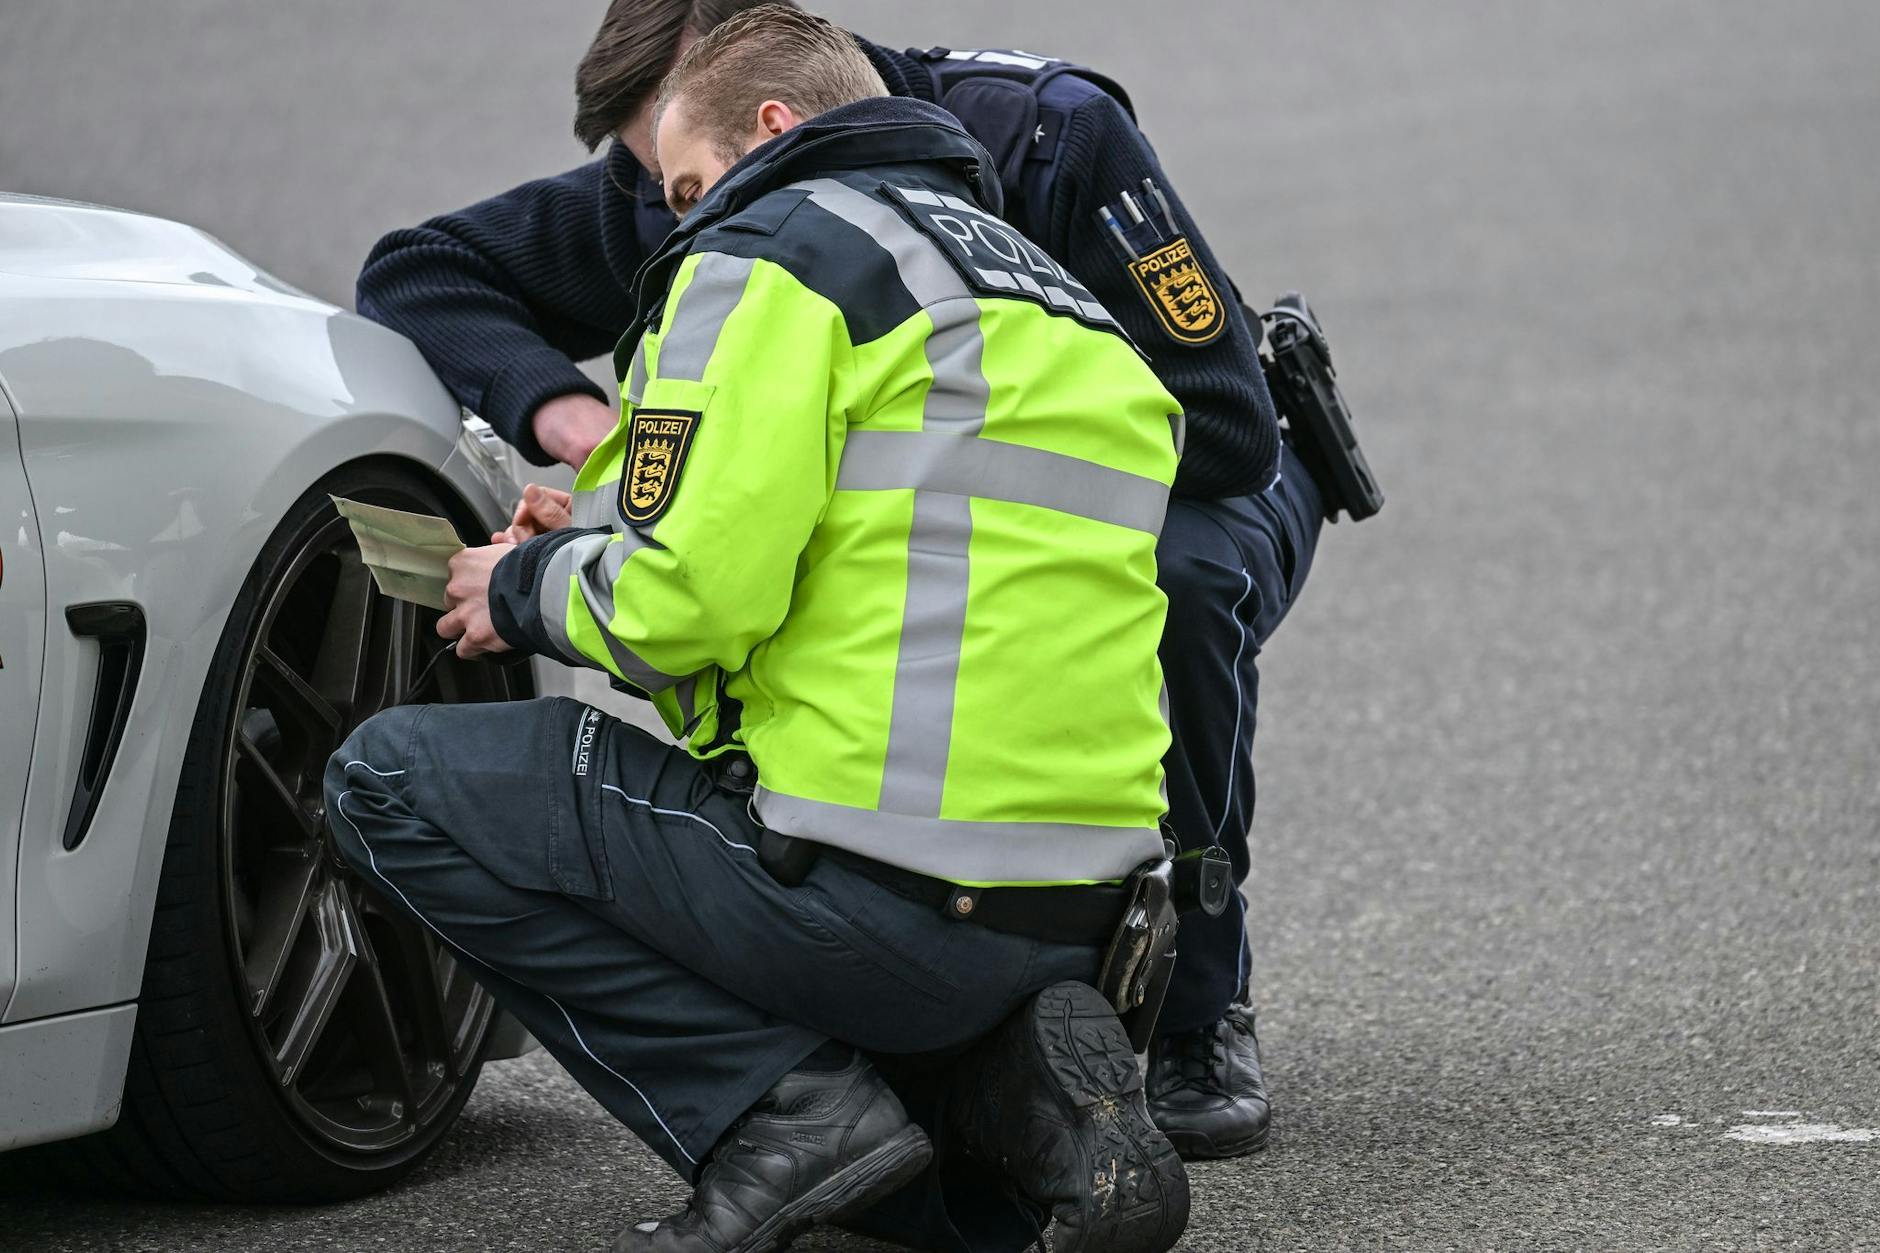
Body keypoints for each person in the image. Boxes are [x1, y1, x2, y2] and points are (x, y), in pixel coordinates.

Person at [359, 0, 1334, 1160]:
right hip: (976, 591)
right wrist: (600, 449)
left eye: (682, 170)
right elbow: (422, 269)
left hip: (1213, 492)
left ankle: (1197, 994)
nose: (675, 209)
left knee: (1174, 579)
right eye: (650, 173)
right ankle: (1003, 1073)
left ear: (755, 95)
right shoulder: (677, 170)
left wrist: (901, 461)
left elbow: (1224, 423)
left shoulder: (1046, 134)